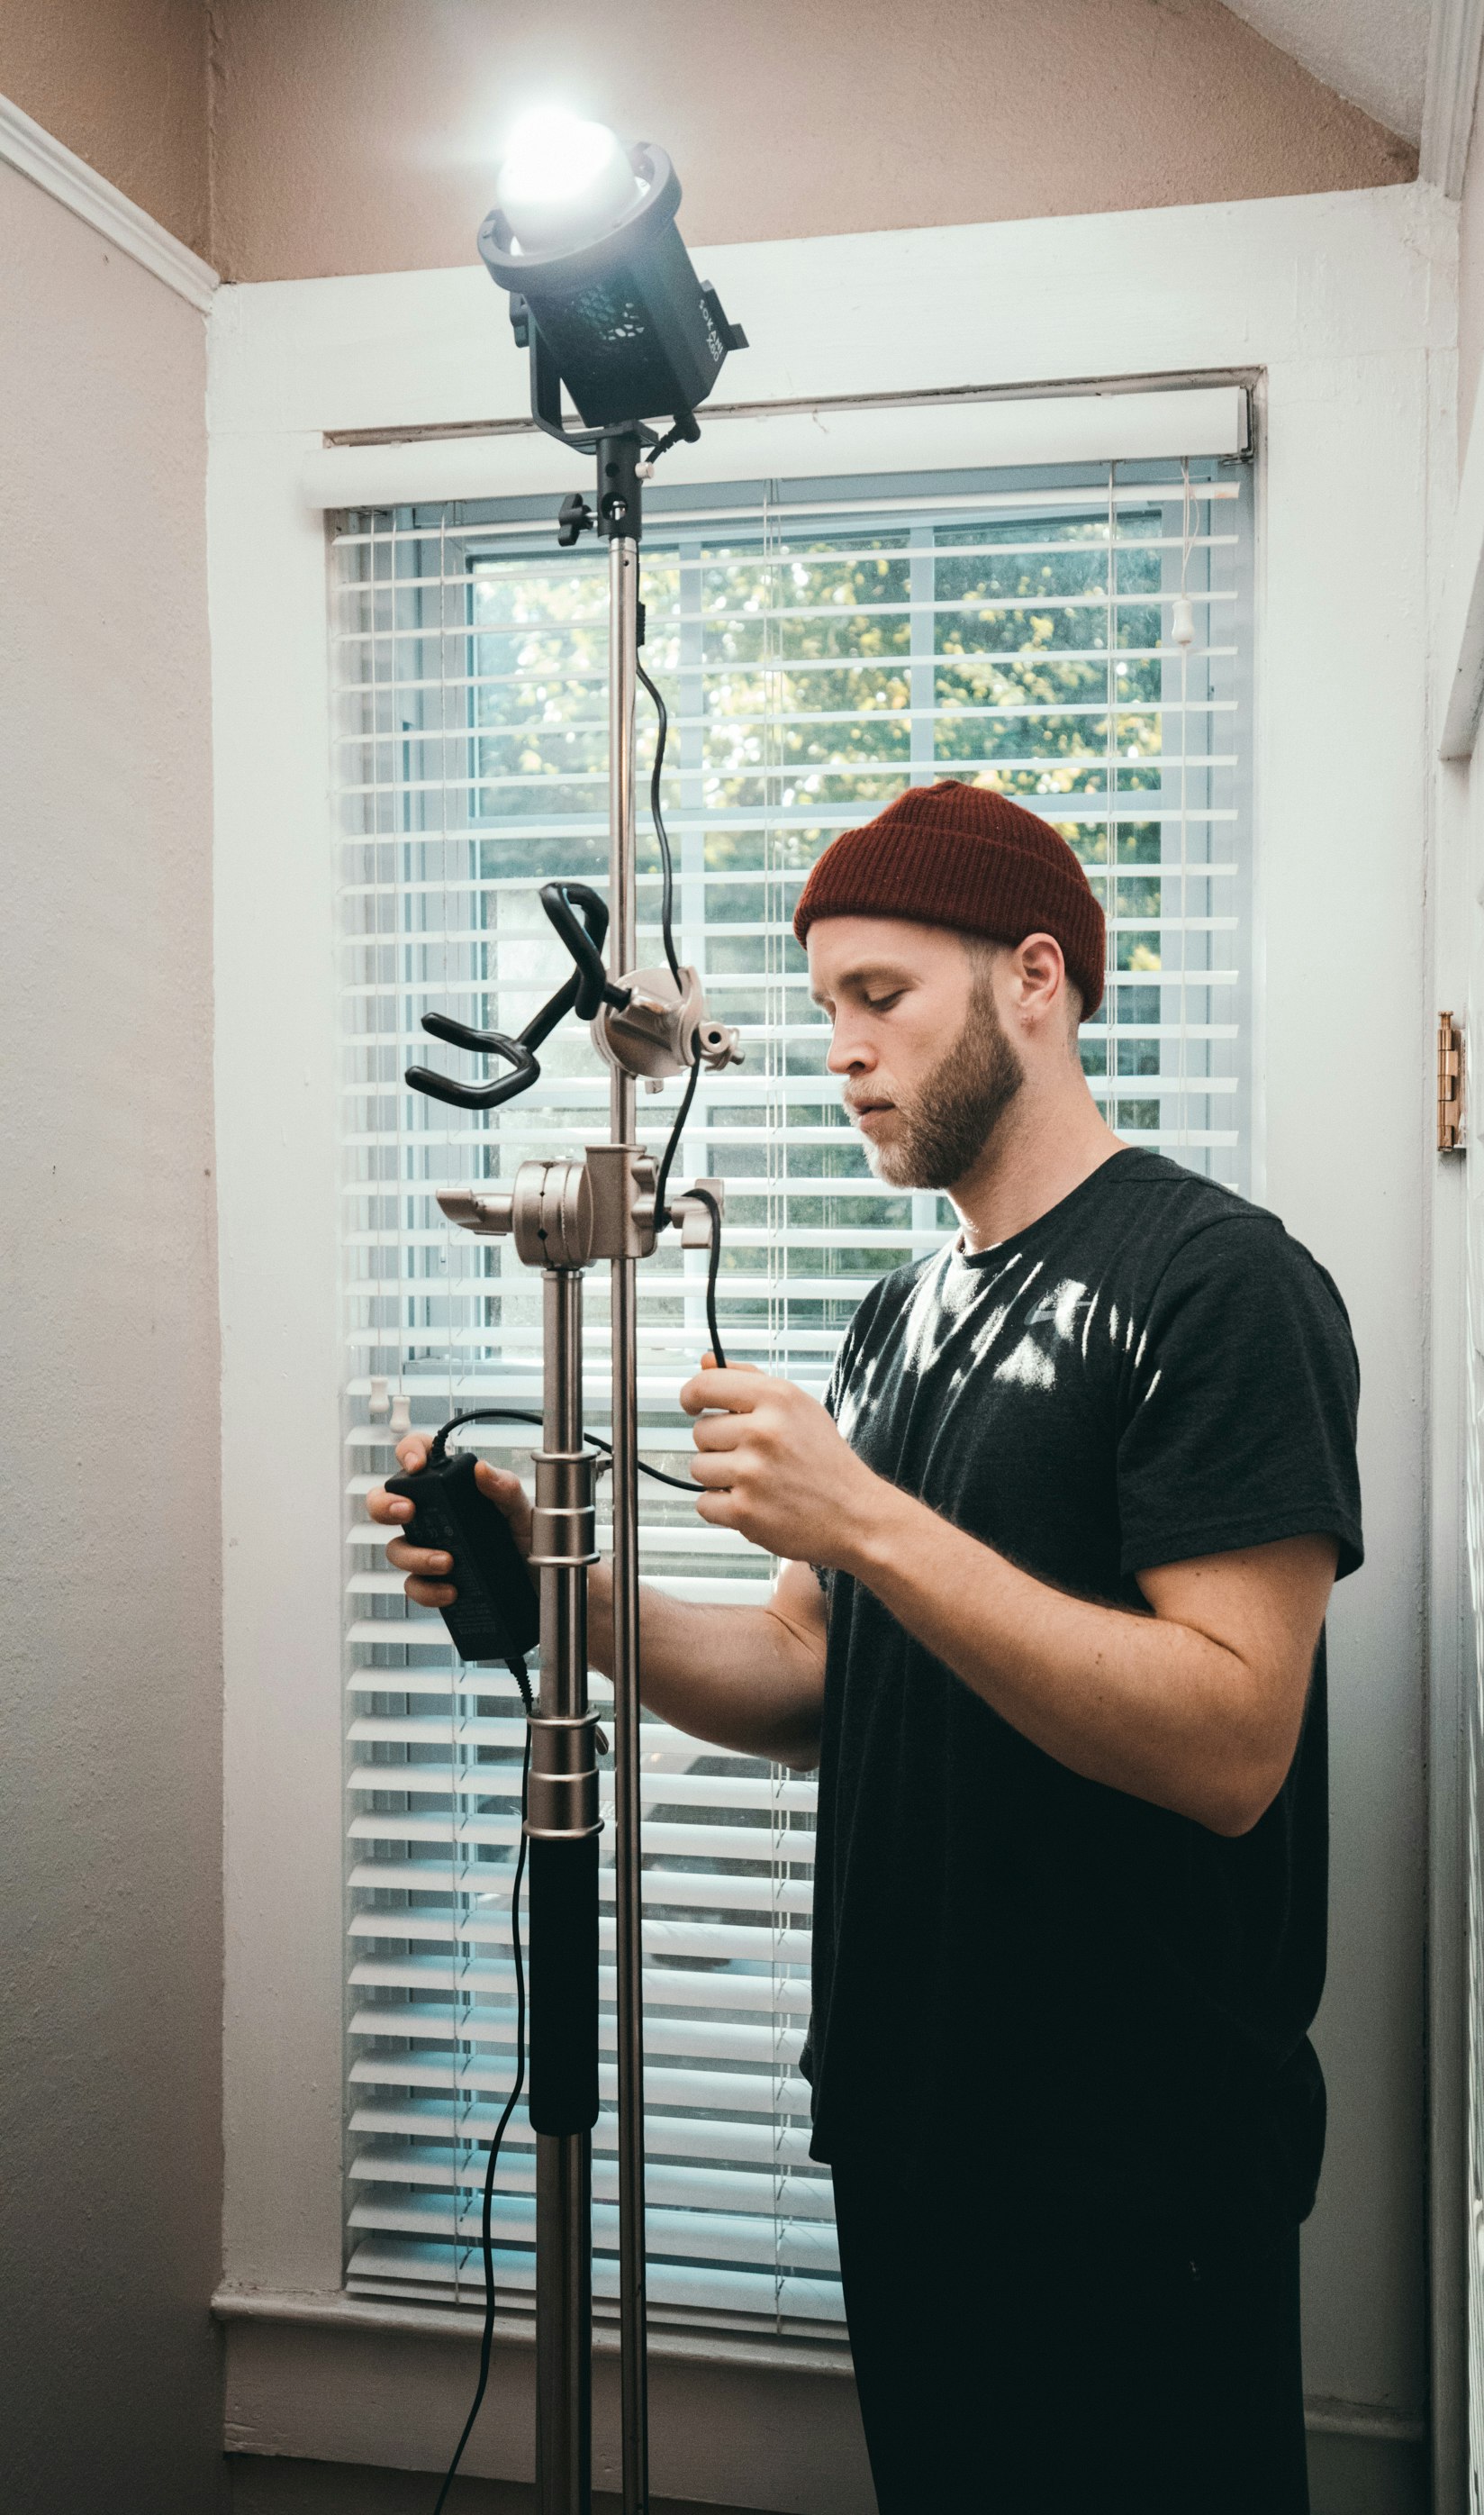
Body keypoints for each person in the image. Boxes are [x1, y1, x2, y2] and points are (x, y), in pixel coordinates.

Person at [372, 778, 1362, 2512]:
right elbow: (808, 1681)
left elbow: (1228, 1746)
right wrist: (564, 1593)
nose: (839, 1049)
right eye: (824, 1004)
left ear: (1034, 981)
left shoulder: (1213, 1287)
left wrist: (862, 1519)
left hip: (1136, 2160)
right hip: (911, 2120)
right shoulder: (902, 1316)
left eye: (880, 997)